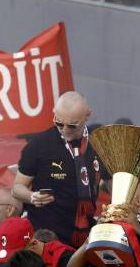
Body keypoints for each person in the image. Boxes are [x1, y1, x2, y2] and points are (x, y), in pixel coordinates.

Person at [11, 91, 102, 246]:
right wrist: (32, 197)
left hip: (87, 232)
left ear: (87, 115)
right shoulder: (39, 145)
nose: (65, 129)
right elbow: (16, 188)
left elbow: (109, 181)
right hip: (48, 235)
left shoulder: (98, 142)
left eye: (72, 125)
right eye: (59, 123)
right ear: (54, 114)